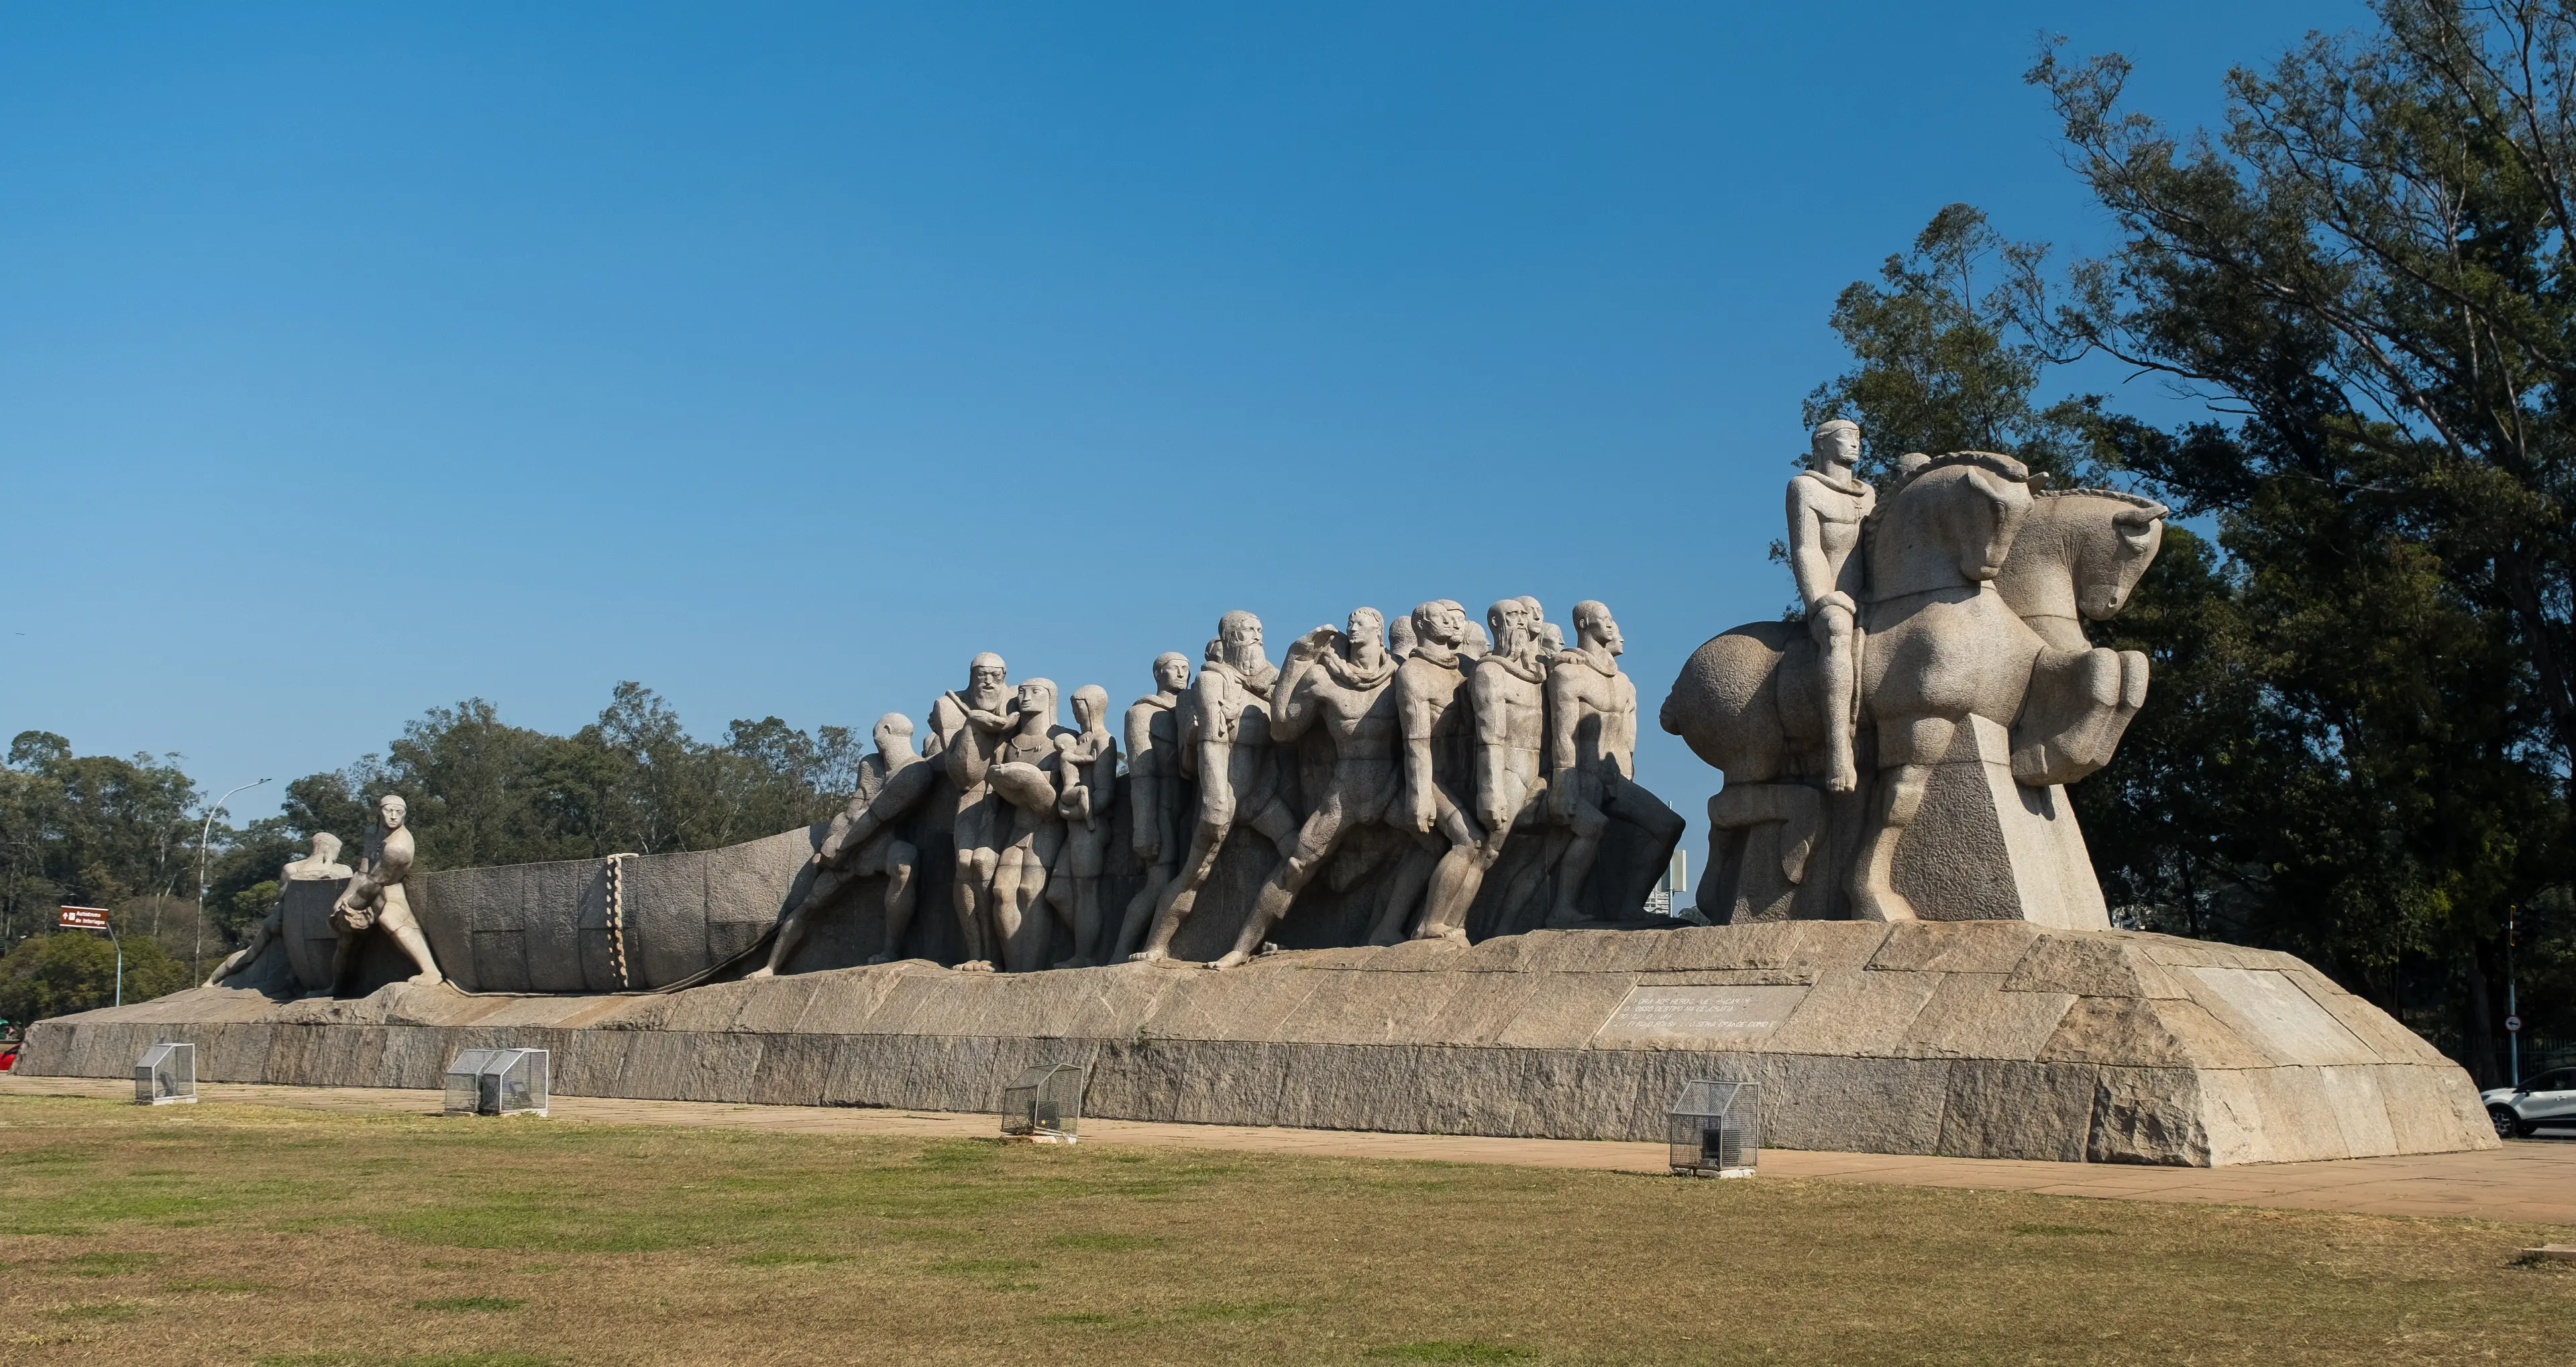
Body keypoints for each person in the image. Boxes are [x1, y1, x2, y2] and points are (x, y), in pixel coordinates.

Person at [1216, 608, 1402, 969]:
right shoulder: (1323, 678)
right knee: (1297, 865)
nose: (1352, 625)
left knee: (1449, 841)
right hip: (1345, 792)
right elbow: (1283, 728)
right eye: (1350, 620)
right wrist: (1295, 659)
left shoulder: (1399, 675)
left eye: (1361, 620)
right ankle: (1241, 948)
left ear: (1378, 629)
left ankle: (1391, 926)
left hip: (1390, 785)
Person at [751, 713, 934, 977]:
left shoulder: (916, 771)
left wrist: (841, 848)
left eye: (876, 732)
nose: (874, 739)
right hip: (849, 847)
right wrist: (828, 843)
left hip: (881, 843)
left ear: (886, 730)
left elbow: (876, 816)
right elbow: (852, 809)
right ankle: (771, 966)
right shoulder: (870, 764)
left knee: (905, 864)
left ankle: (891, 951)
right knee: (810, 905)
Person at [1544, 600, 1686, 923]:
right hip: (1580, 775)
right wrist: (1564, 784)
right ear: (1583, 624)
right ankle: (1562, 908)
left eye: (1611, 619)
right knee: (1594, 828)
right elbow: (1564, 735)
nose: (1610, 624)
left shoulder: (1624, 683)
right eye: (1602, 619)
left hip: (1615, 778)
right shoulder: (1568, 674)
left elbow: (1627, 743)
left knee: (1669, 825)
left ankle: (1630, 905)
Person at [1788, 419, 1876, 791]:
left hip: (1873, 595)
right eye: (1847, 437)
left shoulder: (1869, 494)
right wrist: (1822, 600)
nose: (1856, 444)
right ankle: (1839, 752)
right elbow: (1806, 548)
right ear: (1822, 444)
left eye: (1859, 438)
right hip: (1832, 596)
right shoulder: (1804, 488)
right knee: (1838, 633)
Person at [328, 794, 443, 991]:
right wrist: (345, 897)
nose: (393, 816)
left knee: (390, 919)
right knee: (345, 938)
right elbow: (363, 871)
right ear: (379, 811)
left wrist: (351, 907)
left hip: (389, 890)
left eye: (399, 812)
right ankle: (335, 987)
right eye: (388, 811)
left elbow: (376, 882)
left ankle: (431, 971)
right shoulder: (371, 832)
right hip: (367, 887)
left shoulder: (399, 847)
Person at [207, 832, 351, 986]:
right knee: (251, 953)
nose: (338, 853)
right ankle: (211, 981)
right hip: (287, 922)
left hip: (328, 923)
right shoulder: (293, 868)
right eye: (337, 848)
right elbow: (283, 897)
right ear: (326, 847)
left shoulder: (344, 870)